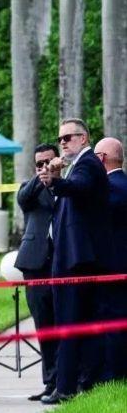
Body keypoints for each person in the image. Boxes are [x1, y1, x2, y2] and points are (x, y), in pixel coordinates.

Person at [38, 118, 110, 403]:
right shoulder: (76, 166)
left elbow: (78, 188)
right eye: (60, 139)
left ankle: (66, 388)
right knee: (74, 322)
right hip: (71, 258)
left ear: (84, 138)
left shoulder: (88, 163)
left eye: (68, 137)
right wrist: (54, 181)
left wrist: (57, 181)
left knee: (69, 322)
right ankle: (79, 383)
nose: (63, 143)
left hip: (77, 260)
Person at [15, 143, 59, 400]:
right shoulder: (30, 188)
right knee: (44, 325)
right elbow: (23, 199)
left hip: (63, 263)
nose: (44, 167)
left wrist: (56, 178)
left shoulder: (68, 185)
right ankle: (50, 382)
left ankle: (67, 381)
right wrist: (41, 178)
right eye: (39, 163)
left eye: (48, 162)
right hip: (36, 264)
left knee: (64, 322)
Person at [94, 136, 126, 381]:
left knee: (112, 321)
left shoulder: (109, 189)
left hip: (113, 266)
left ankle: (114, 375)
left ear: (101, 158)